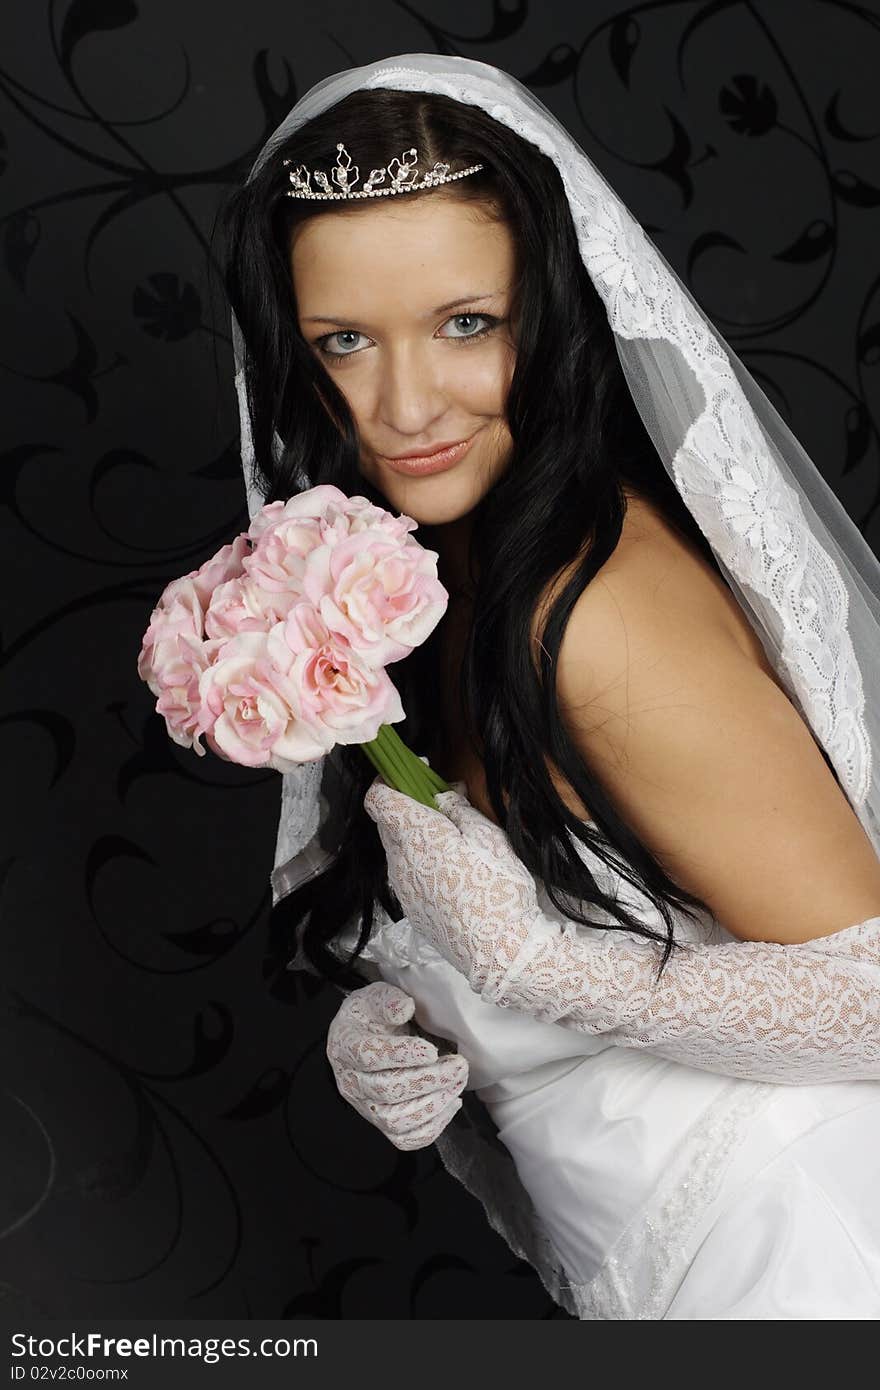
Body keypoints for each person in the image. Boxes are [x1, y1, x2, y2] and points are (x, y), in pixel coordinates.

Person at [220, 54, 880, 1319]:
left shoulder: (594, 610)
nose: (407, 404)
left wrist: (553, 977)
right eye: (345, 341)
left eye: (468, 322)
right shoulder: (408, 588)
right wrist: (413, 1026)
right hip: (648, 1263)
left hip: (796, 1247)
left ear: (554, 312)